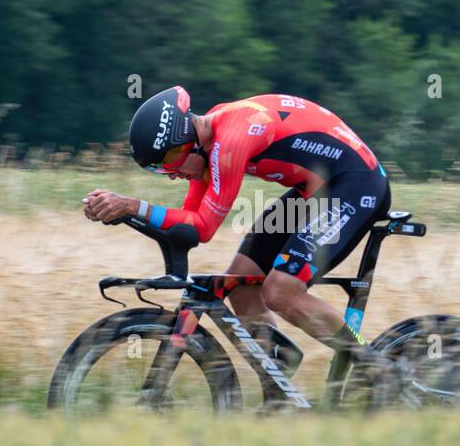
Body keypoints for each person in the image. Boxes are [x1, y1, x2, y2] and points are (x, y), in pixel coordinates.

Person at [83, 85, 396, 402]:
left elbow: (203, 228)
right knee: (240, 281)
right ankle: (279, 384)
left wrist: (134, 206)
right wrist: (129, 213)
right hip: (317, 190)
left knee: (280, 290)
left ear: (188, 143)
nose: (172, 175)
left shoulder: (230, 141)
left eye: (170, 161)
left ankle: (375, 368)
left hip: (356, 184)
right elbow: (189, 221)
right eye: (160, 169)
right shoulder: (205, 142)